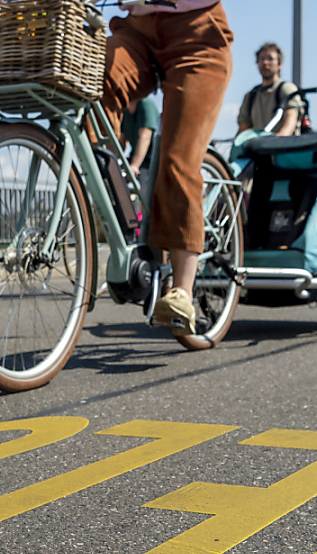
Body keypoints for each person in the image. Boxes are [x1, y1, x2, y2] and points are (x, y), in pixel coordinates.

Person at [100, 1, 233, 336]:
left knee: (177, 159)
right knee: (90, 82)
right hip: (138, 30)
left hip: (197, 32)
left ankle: (182, 291)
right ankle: (111, 212)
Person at [237, 42, 304, 136]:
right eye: (262, 59)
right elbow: (243, 129)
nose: (265, 63)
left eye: (270, 59)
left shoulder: (287, 89)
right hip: (258, 149)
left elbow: (291, 118)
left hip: (284, 148)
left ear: (279, 64)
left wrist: (278, 141)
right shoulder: (250, 96)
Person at [119, 96, 160, 175]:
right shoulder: (125, 110)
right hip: (133, 160)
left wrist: (134, 166)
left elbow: (145, 137)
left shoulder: (146, 104)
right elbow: (121, 142)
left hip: (150, 165)